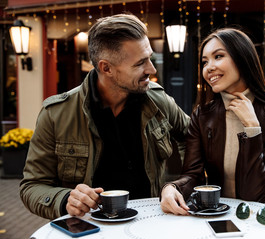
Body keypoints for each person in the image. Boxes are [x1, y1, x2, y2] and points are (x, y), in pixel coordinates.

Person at [20, 14, 190, 220]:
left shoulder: (158, 100)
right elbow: (32, 186)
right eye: (140, 63)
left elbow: (194, 140)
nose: (151, 69)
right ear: (106, 68)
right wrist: (65, 199)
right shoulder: (55, 114)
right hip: (88, 229)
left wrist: (177, 186)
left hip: (149, 225)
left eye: (150, 58)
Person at [160, 28, 265, 215]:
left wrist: (253, 129)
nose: (209, 67)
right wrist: (172, 187)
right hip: (216, 211)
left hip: (260, 216)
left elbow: (254, 192)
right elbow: (193, 175)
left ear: (242, 58)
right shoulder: (203, 115)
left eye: (218, 56)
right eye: (205, 62)